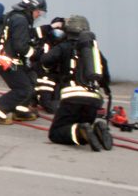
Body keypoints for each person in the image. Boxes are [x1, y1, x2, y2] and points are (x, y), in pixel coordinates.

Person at [40, 15, 113, 151]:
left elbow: (45, 61)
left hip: (71, 98)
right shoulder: (94, 52)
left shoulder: (64, 47)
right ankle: (96, 128)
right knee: (82, 125)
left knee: (56, 133)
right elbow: (106, 77)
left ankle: (81, 130)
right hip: (94, 101)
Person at [0, 0, 47, 124]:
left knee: (31, 80)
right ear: (31, 9)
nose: (39, 14)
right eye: (38, 11)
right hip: (5, 60)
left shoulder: (16, 16)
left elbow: (23, 37)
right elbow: (20, 46)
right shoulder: (20, 20)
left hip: (9, 58)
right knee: (22, 89)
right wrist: (35, 53)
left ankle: (20, 111)